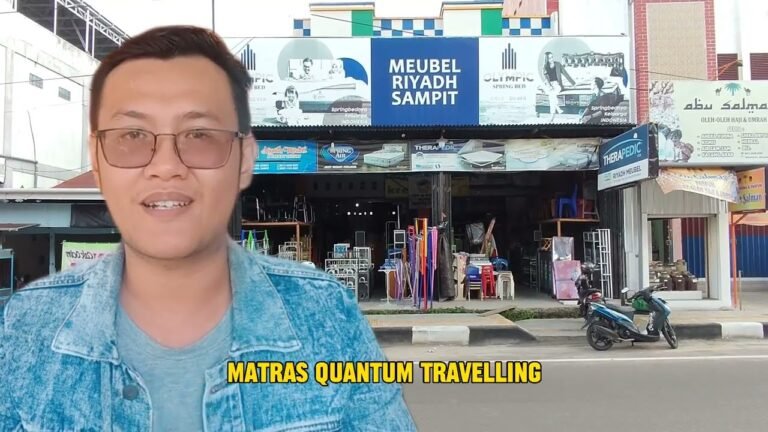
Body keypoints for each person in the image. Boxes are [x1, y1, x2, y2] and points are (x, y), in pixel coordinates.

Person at [0, 25, 417, 431]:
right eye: (133, 135)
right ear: (96, 158)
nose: (166, 166)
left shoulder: (326, 316)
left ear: (245, 158)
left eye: (199, 135)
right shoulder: (26, 327)